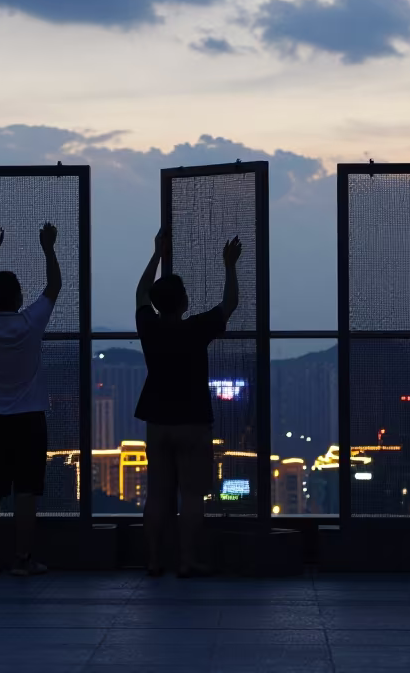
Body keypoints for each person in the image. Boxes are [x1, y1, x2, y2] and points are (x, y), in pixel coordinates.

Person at [134, 229, 241, 578]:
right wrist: (229, 265)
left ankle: (152, 560)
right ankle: (187, 560)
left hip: (157, 418)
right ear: (184, 303)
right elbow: (230, 304)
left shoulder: (149, 326)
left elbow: (140, 293)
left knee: (157, 495)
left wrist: (156, 255)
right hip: (193, 419)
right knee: (193, 496)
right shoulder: (196, 328)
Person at [0, 223, 61, 577]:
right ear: (20, 297)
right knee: (26, 492)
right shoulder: (30, 324)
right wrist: (48, 247)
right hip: (30, 418)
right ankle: (23, 559)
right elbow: (54, 287)